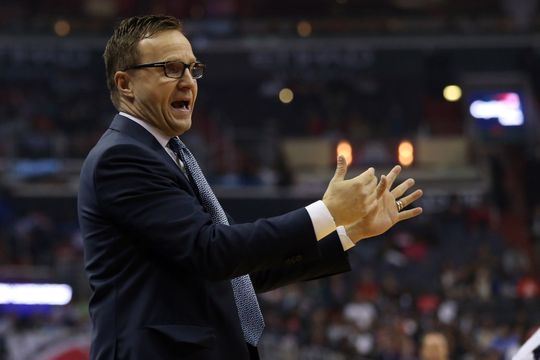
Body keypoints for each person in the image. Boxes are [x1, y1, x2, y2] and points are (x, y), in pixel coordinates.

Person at [77, 14, 423, 360]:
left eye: (192, 69)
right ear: (126, 84)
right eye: (170, 68)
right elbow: (212, 251)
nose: (188, 81)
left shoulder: (166, 154)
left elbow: (236, 276)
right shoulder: (122, 157)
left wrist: (348, 231)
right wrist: (325, 212)